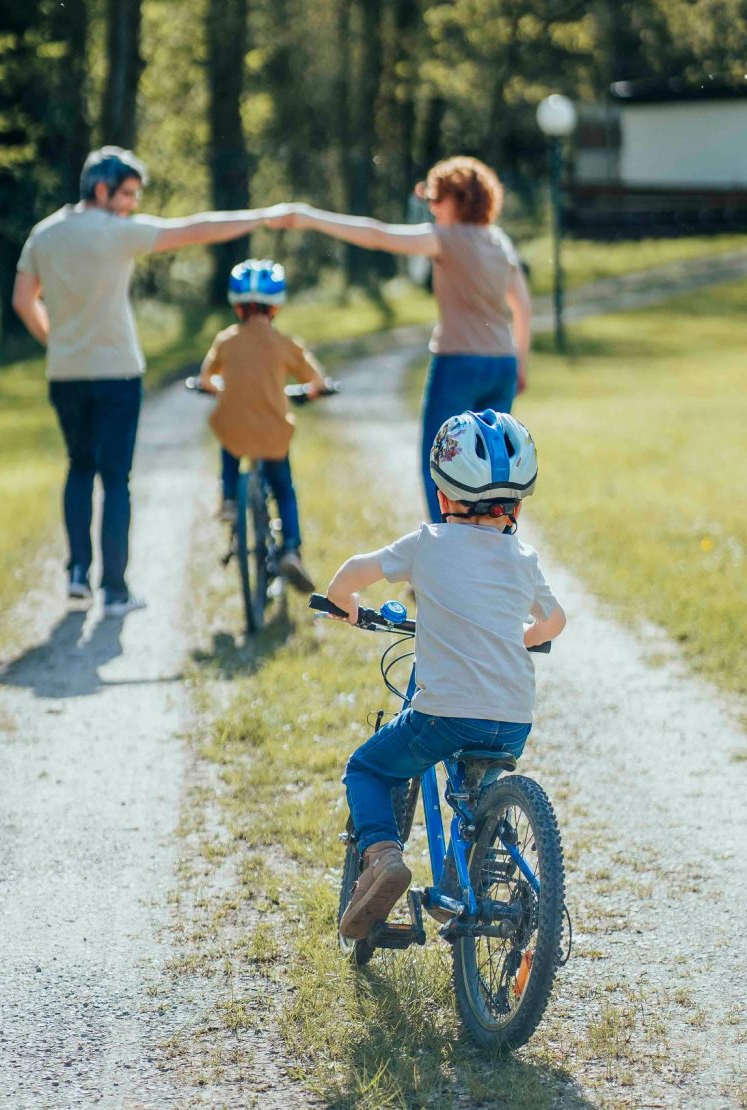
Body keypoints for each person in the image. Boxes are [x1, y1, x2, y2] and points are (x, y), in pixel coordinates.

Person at [324, 409, 566, 940]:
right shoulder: (523, 558)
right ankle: (465, 882)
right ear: (517, 507)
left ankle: (383, 857)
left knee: (367, 768)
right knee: (475, 799)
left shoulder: (428, 543)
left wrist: (346, 603)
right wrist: (516, 638)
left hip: (445, 717)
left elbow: (353, 572)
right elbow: (554, 623)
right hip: (513, 720)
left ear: (441, 497)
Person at [13, 146, 284, 615]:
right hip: (117, 373)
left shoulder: (44, 233)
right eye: (128, 194)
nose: (133, 205)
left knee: (79, 468)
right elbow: (195, 229)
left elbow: (23, 300)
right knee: (116, 479)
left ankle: (77, 575)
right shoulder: (117, 232)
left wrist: (55, 341)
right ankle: (114, 591)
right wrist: (259, 217)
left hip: (66, 373)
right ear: (102, 190)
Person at [269, 156, 532, 523]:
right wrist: (521, 364)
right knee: (494, 466)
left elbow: (377, 235)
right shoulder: (500, 241)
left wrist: (311, 217)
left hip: (458, 363)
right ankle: (491, 542)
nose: (432, 207)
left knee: (440, 462)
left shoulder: (446, 238)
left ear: (459, 200)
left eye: (437, 199)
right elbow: (522, 307)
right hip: (502, 364)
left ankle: (445, 548)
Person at [199, 258, 327, 594]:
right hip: (272, 434)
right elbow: (316, 380)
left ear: (237, 306)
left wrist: (218, 387)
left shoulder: (225, 341)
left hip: (235, 430)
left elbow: (206, 379)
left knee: (230, 437)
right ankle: (291, 549)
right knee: (284, 489)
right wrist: (312, 391)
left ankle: (229, 497)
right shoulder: (285, 343)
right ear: (275, 307)